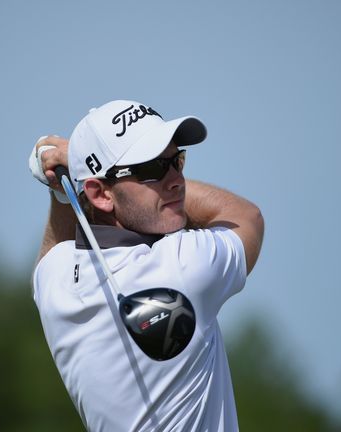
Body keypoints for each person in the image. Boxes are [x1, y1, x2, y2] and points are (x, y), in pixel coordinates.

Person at [28, 100, 264, 431]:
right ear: (101, 194)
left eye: (177, 161)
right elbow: (246, 217)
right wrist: (74, 164)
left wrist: (67, 188)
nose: (177, 180)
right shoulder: (183, 267)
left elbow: (56, 248)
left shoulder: (56, 279)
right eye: (152, 169)